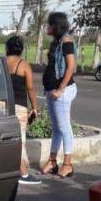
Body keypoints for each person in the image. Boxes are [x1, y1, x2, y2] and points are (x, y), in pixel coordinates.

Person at [41, 12, 77, 178]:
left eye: (49, 24)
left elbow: (71, 66)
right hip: (52, 90)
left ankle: (68, 163)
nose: (47, 27)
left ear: (56, 25)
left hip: (62, 91)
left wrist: (60, 89)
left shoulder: (66, 41)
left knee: (64, 128)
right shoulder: (56, 42)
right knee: (56, 129)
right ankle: (52, 161)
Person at [5, 35, 40, 185]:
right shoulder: (23, 65)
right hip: (18, 106)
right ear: (21, 49)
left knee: (4, 138)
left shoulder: (1, 63)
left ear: (7, 48)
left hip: (1, 105)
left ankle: (6, 171)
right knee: (20, 141)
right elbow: (30, 89)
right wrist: (35, 107)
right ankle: (23, 174)